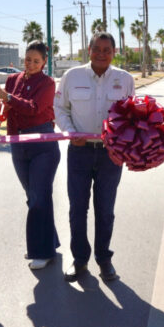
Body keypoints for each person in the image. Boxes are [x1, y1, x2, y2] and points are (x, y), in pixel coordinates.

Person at [54, 31, 135, 282]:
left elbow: (133, 116)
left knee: (105, 209)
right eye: (97, 49)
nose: (101, 54)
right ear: (88, 50)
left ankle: (104, 259)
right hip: (79, 152)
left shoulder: (125, 79)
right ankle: (79, 260)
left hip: (111, 155)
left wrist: (123, 146)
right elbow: (60, 108)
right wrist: (70, 132)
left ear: (114, 52)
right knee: (78, 209)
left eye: (107, 50)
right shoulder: (72, 76)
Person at [0, 42, 61, 271]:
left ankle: (41, 251)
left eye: (36, 61)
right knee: (33, 197)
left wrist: (9, 98)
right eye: (28, 59)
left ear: (44, 62)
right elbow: (10, 108)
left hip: (42, 144)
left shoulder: (48, 83)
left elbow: (33, 108)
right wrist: (3, 101)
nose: (30, 64)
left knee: (39, 197)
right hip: (18, 143)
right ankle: (49, 241)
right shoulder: (13, 80)